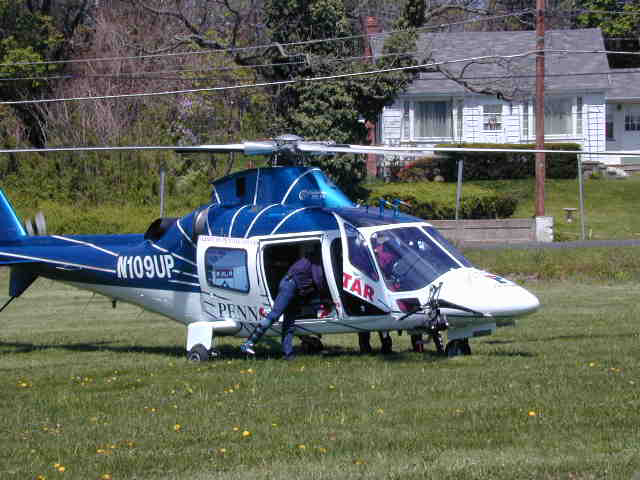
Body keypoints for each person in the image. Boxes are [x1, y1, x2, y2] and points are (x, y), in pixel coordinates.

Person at [240, 246, 328, 360]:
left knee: (289, 323)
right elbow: (319, 281)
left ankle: (288, 354)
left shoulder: (311, 259)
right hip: (290, 286)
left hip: (296, 289)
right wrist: (326, 299)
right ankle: (248, 344)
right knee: (274, 315)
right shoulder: (315, 260)